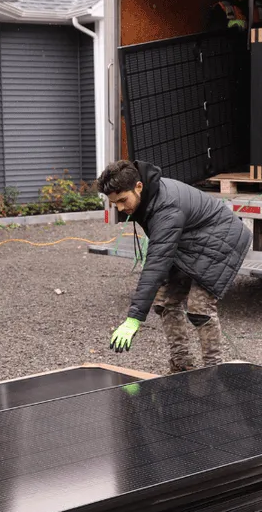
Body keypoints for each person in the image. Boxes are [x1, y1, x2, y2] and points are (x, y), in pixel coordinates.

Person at [98, 159, 252, 372]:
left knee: (199, 307)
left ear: (138, 186)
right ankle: (181, 366)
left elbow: (156, 263)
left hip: (221, 239)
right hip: (190, 240)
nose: (122, 208)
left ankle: (214, 370)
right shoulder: (147, 196)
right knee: (164, 302)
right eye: (116, 204)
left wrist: (134, 318)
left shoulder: (166, 207)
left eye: (123, 200)